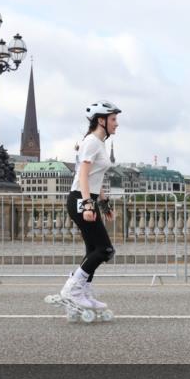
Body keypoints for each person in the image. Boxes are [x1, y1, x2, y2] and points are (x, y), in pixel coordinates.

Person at [59, 100, 121, 311]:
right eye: (113, 119)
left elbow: (96, 176)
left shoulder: (98, 143)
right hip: (80, 199)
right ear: (101, 120)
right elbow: (83, 175)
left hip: (86, 198)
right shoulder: (92, 142)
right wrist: (87, 205)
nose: (116, 123)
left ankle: (83, 291)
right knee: (105, 249)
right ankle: (73, 290)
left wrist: (103, 203)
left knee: (93, 249)